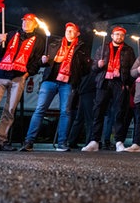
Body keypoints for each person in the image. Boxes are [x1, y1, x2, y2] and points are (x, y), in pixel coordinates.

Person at [0, 13, 45, 152]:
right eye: (23, 20)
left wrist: (27, 74)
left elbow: (36, 62)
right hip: (0, 75)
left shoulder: (39, 41)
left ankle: (0, 142)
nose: (25, 23)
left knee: (9, 111)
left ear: (34, 24)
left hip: (18, 78)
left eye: (29, 21)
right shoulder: (11, 34)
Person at [20, 22, 92, 152]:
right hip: (50, 81)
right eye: (67, 30)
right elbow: (42, 63)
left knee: (65, 111)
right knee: (40, 109)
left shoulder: (82, 48)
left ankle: (62, 143)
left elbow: (87, 69)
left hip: (68, 83)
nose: (69, 32)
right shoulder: (54, 43)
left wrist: (77, 70)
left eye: (72, 31)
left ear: (78, 34)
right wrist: (43, 61)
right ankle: (29, 141)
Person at [81, 26, 136, 152]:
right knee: (98, 111)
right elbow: (93, 68)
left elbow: (132, 69)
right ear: (112, 36)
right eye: (116, 34)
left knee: (119, 112)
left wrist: (128, 83)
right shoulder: (103, 47)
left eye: (122, 35)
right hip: (104, 82)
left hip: (119, 83)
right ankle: (94, 141)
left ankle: (119, 141)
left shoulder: (129, 50)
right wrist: (98, 65)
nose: (119, 37)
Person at [67, 69, 97, 148]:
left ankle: (72, 141)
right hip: (89, 90)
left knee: (80, 118)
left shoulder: (85, 64)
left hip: (83, 90)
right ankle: (88, 142)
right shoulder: (94, 64)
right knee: (89, 119)